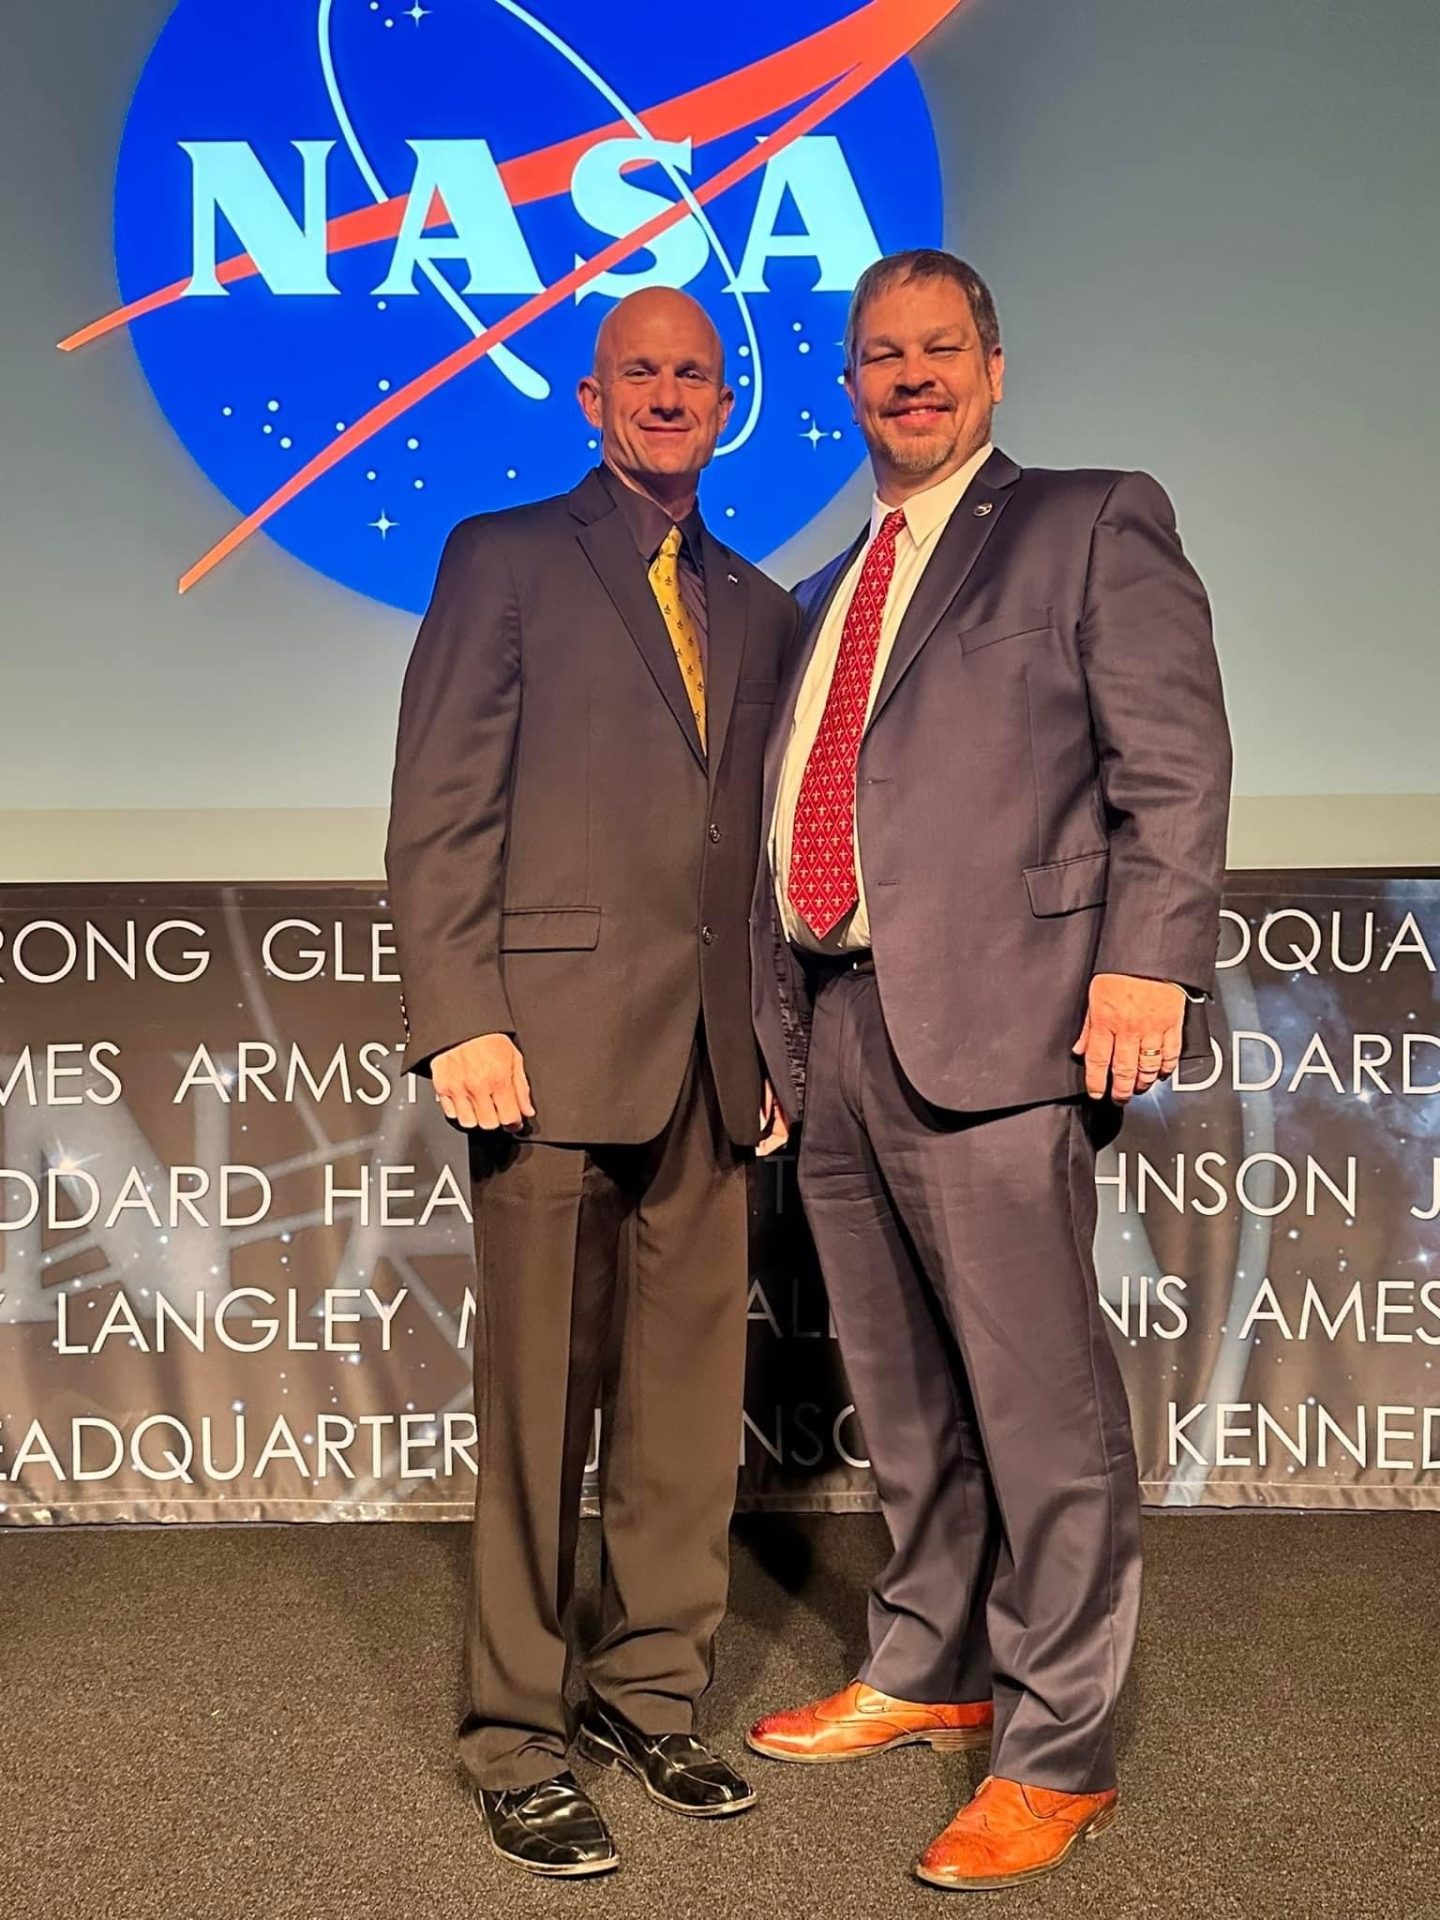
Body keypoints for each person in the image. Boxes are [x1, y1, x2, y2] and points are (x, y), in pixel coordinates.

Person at [746, 250, 1231, 1892]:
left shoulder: (1090, 520)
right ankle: (928, 1659)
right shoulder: (826, 588)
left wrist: (1148, 958)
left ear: (996, 368)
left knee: (1041, 1408)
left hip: (1009, 1019)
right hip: (844, 1027)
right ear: (848, 383)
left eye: (940, 349)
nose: (911, 376)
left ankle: (1057, 1750)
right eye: (880, 355)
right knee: (901, 1400)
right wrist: (782, 1036)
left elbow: (1171, 760)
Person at [385, 287, 796, 1879]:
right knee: (538, 1413)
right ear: (591, 396)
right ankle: (513, 1733)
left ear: (724, 400)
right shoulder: (503, 557)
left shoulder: (757, 602)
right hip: (538, 1058)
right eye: (643, 373)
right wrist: (458, 1015)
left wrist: (767, 1044)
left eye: (695, 375)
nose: (670, 395)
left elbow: (751, 866)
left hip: (708, 1064)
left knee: (689, 1421)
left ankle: (649, 1692)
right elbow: (438, 808)